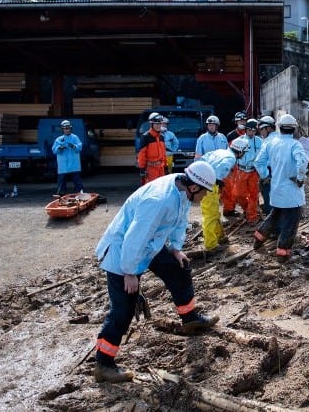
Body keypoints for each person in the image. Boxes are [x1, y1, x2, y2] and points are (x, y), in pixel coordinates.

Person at [93, 161, 219, 383]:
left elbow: (179, 221)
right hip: (123, 254)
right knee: (124, 310)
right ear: (194, 187)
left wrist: (175, 249)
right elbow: (135, 237)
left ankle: (189, 319)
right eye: (206, 192)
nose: (206, 197)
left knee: (179, 268)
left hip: (150, 246)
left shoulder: (182, 192)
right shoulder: (159, 200)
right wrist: (129, 272)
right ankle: (104, 364)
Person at [253, 114, 309, 259]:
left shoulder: (271, 143)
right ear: (294, 128)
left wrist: (266, 175)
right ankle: (282, 253)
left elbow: (258, 162)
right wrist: (300, 178)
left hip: (276, 189)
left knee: (274, 216)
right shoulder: (295, 144)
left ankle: (258, 239)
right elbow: (302, 162)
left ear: (279, 127)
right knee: (290, 223)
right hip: (291, 193)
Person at [199, 138, 249, 252]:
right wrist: (219, 180)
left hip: (206, 183)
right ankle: (210, 245)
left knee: (214, 212)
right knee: (210, 216)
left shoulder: (220, 151)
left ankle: (220, 236)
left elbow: (203, 159)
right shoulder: (230, 158)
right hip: (209, 185)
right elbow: (223, 168)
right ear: (240, 151)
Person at [228, 119, 263, 224]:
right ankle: (247, 209)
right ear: (246, 129)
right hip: (241, 170)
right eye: (249, 130)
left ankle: (252, 216)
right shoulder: (239, 140)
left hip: (254, 171)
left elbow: (264, 155)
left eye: (254, 130)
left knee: (254, 194)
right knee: (238, 194)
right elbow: (230, 153)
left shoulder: (259, 141)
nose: (251, 132)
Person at [51, 120, 84, 196]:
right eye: (65, 128)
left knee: (77, 182)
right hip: (63, 166)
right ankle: (61, 196)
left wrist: (73, 146)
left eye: (68, 128)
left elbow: (79, 147)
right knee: (61, 182)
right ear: (62, 129)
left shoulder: (75, 137)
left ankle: (80, 195)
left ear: (70, 128)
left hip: (74, 165)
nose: (67, 130)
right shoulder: (58, 140)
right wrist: (60, 148)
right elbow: (54, 150)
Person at [137, 112, 167, 185]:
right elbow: (142, 154)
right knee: (151, 189)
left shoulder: (161, 137)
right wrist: (142, 170)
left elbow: (164, 153)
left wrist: (166, 166)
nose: (158, 126)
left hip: (161, 169)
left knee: (161, 188)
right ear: (151, 124)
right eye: (156, 124)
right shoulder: (146, 137)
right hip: (150, 169)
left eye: (159, 124)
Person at [256, 115, 277, 216]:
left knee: (269, 201)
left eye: (261, 129)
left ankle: (274, 227)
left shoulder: (266, 142)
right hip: (282, 175)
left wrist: (265, 176)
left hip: (269, 175)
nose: (260, 132)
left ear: (268, 128)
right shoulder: (283, 140)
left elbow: (258, 162)